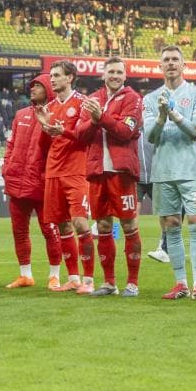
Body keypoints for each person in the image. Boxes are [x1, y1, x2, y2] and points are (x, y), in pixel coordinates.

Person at [143, 45, 196, 302]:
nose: (171, 63)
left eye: (175, 59)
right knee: (171, 225)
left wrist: (172, 114)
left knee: (195, 223)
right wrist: (161, 117)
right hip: (163, 172)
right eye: (166, 60)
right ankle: (180, 283)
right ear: (159, 67)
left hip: (192, 171)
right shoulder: (150, 99)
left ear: (184, 65)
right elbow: (150, 137)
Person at [82, 57, 143, 297]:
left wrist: (100, 118)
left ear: (125, 76)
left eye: (119, 72)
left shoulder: (133, 99)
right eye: (111, 72)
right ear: (103, 74)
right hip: (98, 172)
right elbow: (79, 133)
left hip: (122, 172)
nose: (115, 76)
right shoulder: (93, 99)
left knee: (129, 224)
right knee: (104, 225)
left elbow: (125, 131)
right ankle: (109, 282)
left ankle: (133, 283)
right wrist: (95, 120)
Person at [36, 60, 96, 294]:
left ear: (70, 78)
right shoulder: (48, 107)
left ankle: (89, 280)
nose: (52, 79)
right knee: (62, 226)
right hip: (54, 171)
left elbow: (84, 138)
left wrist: (64, 131)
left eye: (57, 75)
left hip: (76, 171)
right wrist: (43, 126)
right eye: (51, 75)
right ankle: (73, 278)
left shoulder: (82, 103)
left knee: (80, 222)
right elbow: (44, 145)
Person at [0, 74, 61, 289]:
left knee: (50, 230)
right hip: (17, 181)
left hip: (42, 183)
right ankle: (25, 274)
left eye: (37, 86)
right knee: (19, 231)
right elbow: (11, 143)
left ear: (48, 89)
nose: (32, 89)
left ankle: (55, 275)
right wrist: (6, 167)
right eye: (32, 86)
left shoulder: (54, 114)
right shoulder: (20, 114)